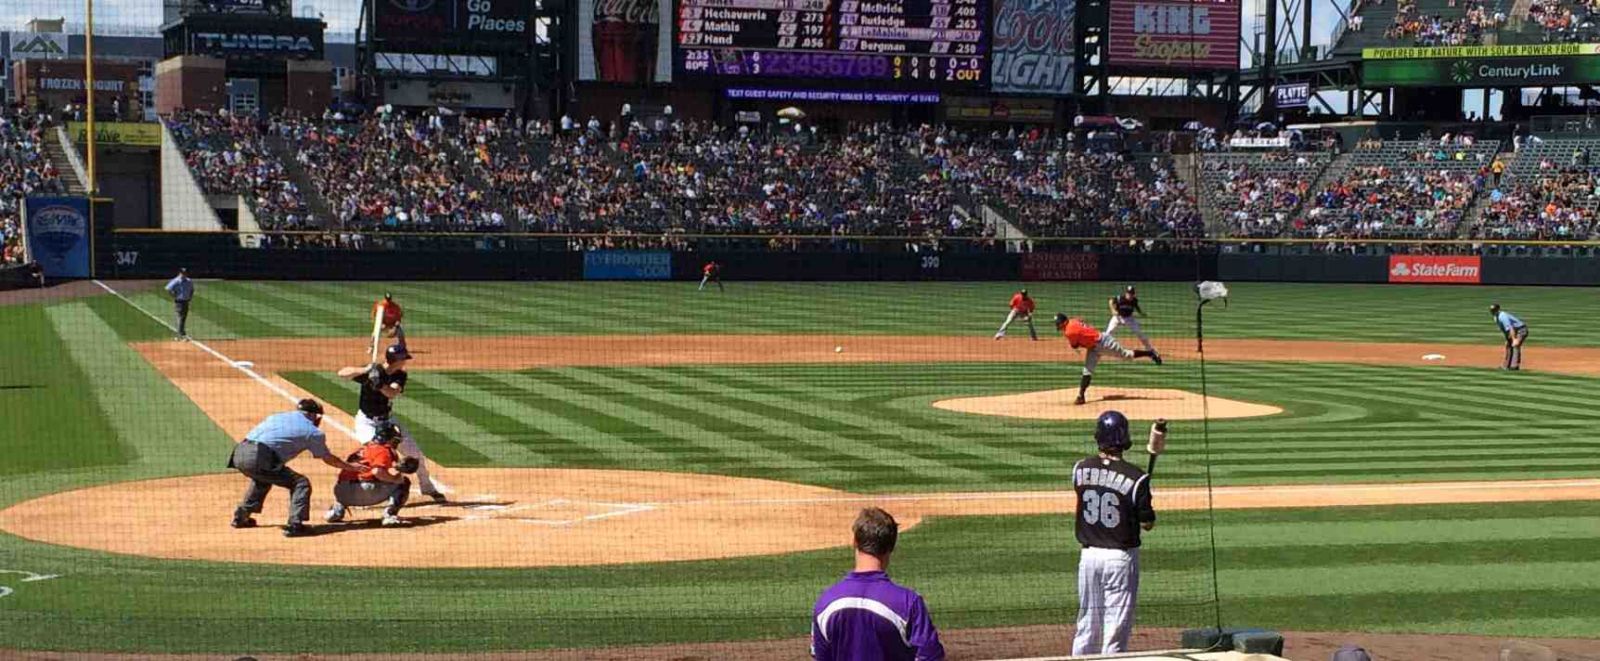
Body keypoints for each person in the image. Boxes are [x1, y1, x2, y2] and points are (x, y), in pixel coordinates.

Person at [1071, 411, 1157, 656]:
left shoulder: (1080, 469)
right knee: (1116, 626)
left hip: (1088, 558)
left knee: (1087, 621)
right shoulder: (1137, 477)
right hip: (1119, 560)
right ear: (1125, 438)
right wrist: (1144, 497)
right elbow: (1147, 523)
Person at [811, 507, 944, 661]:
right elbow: (929, 656)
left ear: (854, 542)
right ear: (891, 546)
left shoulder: (825, 602)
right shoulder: (908, 603)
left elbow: (821, 657)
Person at [229, 399, 363, 537]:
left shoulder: (278, 416)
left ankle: (241, 517)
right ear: (314, 415)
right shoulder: (313, 432)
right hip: (260, 456)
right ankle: (295, 525)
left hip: (240, 452)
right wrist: (351, 467)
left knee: (263, 479)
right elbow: (328, 458)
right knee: (300, 483)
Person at [337, 344, 444, 499]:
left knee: (414, 453)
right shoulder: (373, 371)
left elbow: (392, 393)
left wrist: (379, 384)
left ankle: (427, 487)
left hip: (388, 421)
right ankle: (360, 490)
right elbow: (342, 373)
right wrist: (366, 370)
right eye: (403, 359)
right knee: (372, 455)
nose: (405, 362)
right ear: (396, 360)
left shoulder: (399, 375)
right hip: (367, 422)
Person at [1054, 313, 1159, 405]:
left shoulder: (1069, 331)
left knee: (1127, 355)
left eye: (1058, 323)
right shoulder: (1073, 321)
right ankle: (1081, 396)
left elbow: (1075, 345)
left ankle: (1150, 353)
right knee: (1087, 371)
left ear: (1063, 322)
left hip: (1104, 343)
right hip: (1093, 347)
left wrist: (1076, 343)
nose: (1057, 325)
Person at [326, 421, 416, 527]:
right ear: (388, 438)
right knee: (403, 482)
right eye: (394, 439)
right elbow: (377, 472)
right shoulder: (383, 450)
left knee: (362, 477)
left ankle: (336, 511)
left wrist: (395, 469)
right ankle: (389, 515)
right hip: (365, 491)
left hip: (340, 492)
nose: (396, 442)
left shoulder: (361, 449)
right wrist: (395, 478)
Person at [1105, 285, 1159, 360]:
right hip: (1117, 318)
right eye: (1129, 293)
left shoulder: (1134, 300)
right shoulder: (1120, 298)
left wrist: (1141, 313)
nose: (1130, 295)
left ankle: (1150, 350)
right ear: (1126, 293)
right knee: (1108, 332)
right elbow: (1111, 301)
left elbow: (1137, 307)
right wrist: (1113, 310)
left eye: (1131, 294)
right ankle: (1102, 347)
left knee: (1140, 333)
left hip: (1129, 319)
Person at [1490, 303, 1527, 370]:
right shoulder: (1496, 317)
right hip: (1513, 331)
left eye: (1494, 310)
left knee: (1515, 345)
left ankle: (1515, 366)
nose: (1492, 312)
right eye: (1491, 310)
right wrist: (1507, 339)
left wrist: (1514, 339)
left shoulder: (1502, 316)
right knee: (1508, 346)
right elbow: (1504, 330)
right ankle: (1506, 365)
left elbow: (1511, 328)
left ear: (1498, 309)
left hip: (1521, 329)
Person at [164, 268, 193, 340]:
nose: (184, 274)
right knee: (180, 317)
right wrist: (174, 295)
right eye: (182, 273)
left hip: (186, 301)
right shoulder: (176, 281)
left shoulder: (189, 281)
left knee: (183, 318)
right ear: (179, 273)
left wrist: (190, 297)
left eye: (185, 273)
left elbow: (192, 290)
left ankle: (180, 334)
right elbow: (168, 288)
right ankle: (181, 335)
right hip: (179, 301)